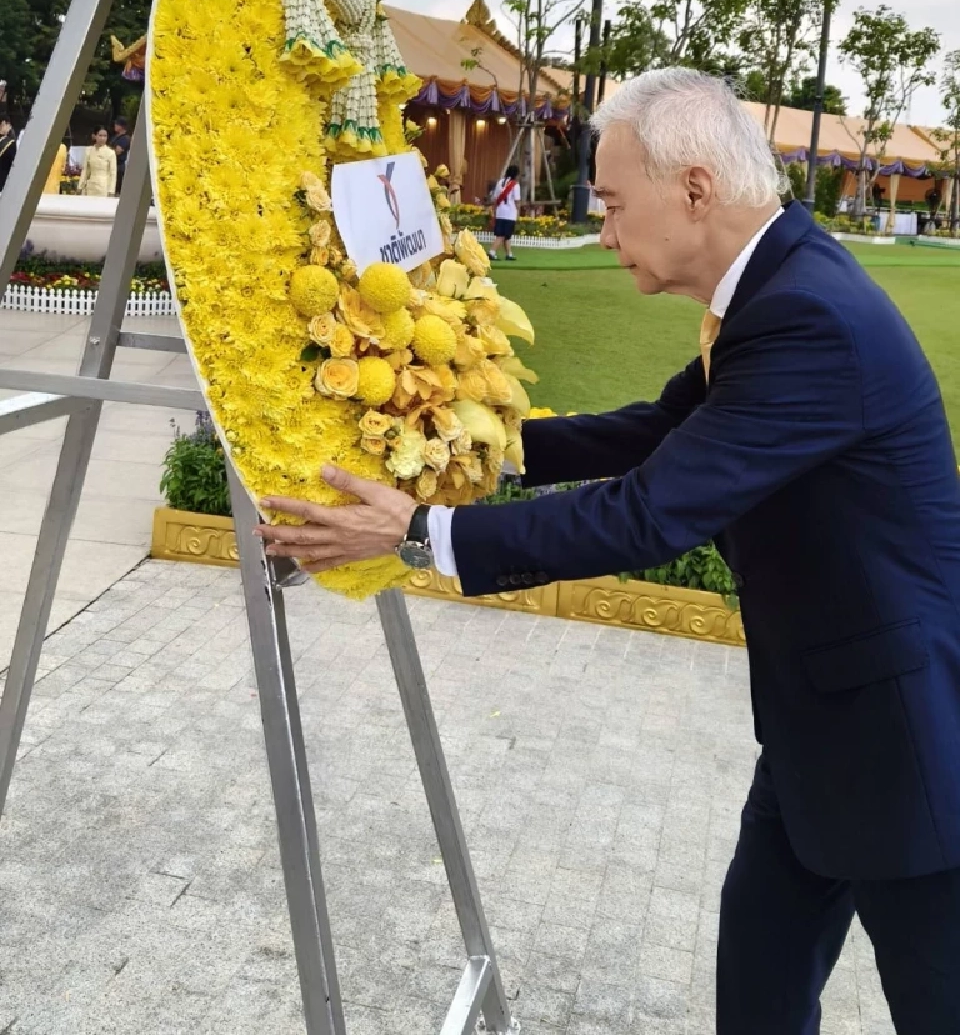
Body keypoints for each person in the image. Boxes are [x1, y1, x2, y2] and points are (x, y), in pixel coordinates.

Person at [255, 68, 960, 1035]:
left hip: (904, 744)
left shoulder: (809, 320)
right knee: (758, 979)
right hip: (824, 722)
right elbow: (654, 430)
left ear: (697, 190)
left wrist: (418, 535)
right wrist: (480, 447)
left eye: (617, 206)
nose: (607, 233)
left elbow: (647, 513)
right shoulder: (776, 290)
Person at [488, 163, 520, 261]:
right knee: (501, 235)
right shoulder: (515, 185)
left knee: (507, 235)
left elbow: (495, 197)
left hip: (500, 212)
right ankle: (492, 252)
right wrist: (518, 211)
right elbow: (517, 200)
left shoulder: (500, 182)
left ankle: (509, 254)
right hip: (509, 213)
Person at [79, 127, 117, 197]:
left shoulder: (110, 152)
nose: (102, 138)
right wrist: (80, 186)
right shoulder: (88, 150)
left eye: (105, 136)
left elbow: (113, 173)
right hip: (90, 185)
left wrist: (112, 191)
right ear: (95, 136)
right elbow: (85, 170)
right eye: (100, 135)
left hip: (104, 187)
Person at [110, 116, 131, 194]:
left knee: (117, 189)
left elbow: (118, 151)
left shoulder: (125, 138)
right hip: (113, 164)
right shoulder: (115, 137)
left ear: (122, 126)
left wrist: (110, 151)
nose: (115, 125)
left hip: (119, 166)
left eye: (117, 124)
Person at [0, 114, 16, 192]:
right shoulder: (10, 143)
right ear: (3, 123)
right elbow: (14, 163)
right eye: (9, 124)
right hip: (3, 183)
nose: (10, 127)